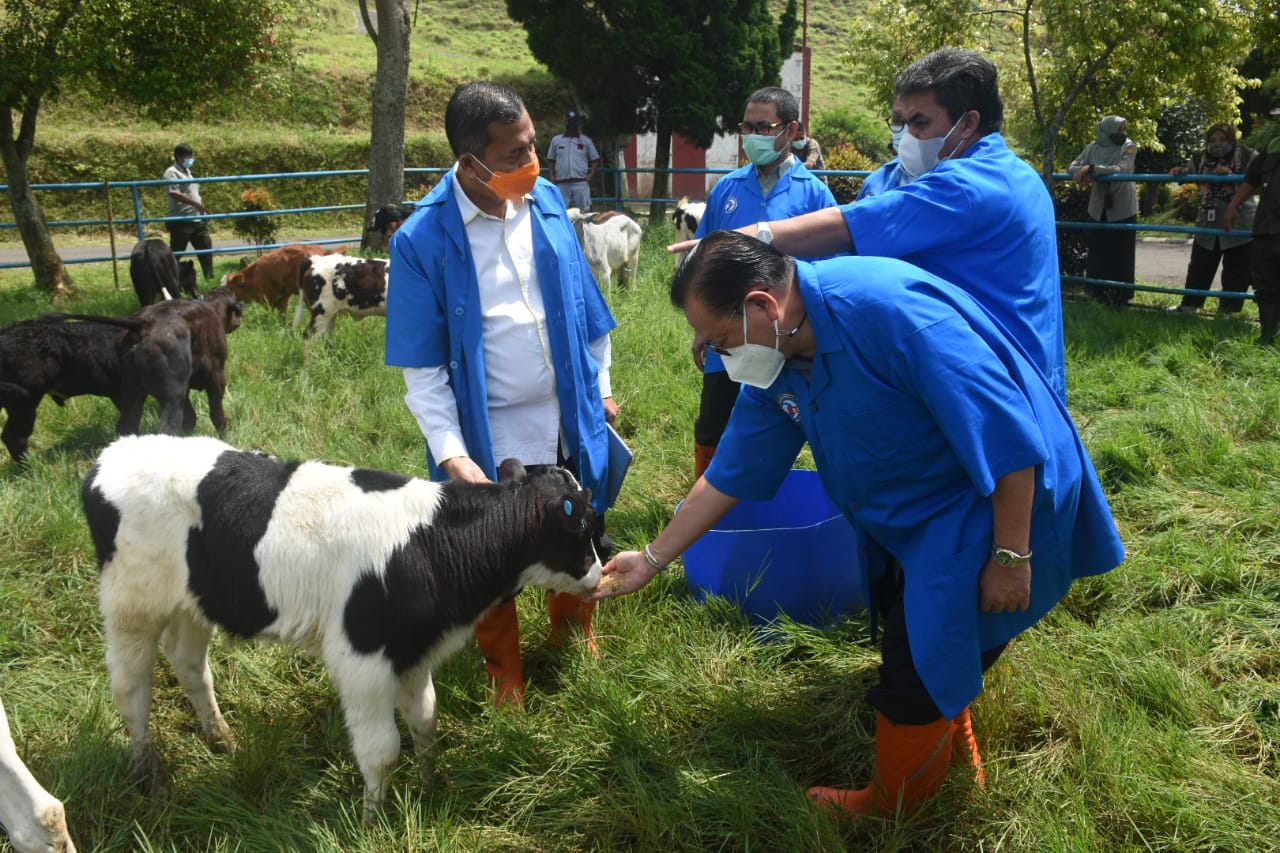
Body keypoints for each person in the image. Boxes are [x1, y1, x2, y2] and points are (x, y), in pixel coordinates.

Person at [588, 229, 1125, 819]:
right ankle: (950, 747)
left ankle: (897, 805)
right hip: (916, 515)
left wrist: (1010, 556)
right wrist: (654, 558)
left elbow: (1009, 442)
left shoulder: (893, 316)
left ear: (763, 306)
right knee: (913, 615)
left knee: (915, 659)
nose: (712, 355)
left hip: (999, 501)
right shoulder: (779, 356)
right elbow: (729, 474)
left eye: (717, 340)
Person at [385, 81, 619, 708]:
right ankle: (503, 673)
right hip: (492, 433)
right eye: (515, 155)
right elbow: (424, 371)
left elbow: (588, 315)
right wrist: (454, 453)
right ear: (470, 162)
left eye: (532, 147)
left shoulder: (544, 205)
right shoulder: (420, 242)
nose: (532, 164)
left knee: (575, 532)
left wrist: (600, 390)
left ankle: (573, 635)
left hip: (565, 418)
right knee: (492, 562)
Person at [671, 48, 1068, 403]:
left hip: (998, 381)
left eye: (919, 123)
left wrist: (753, 234)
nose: (906, 136)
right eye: (901, 122)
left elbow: (851, 227)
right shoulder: (995, 176)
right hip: (970, 375)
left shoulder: (976, 184)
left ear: (967, 124)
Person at [689, 86, 837, 478]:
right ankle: (709, 504)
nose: (752, 136)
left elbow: (830, 268)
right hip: (728, 333)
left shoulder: (815, 194)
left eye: (763, 127)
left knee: (796, 425)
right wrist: (703, 327)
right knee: (713, 423)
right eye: (747, 127)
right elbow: (704, 262)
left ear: (791, 130)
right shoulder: (728, 190)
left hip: (788, 336)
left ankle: (784, 502)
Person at [1168, 125, 1257, 315]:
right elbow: (1191, 173)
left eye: (1222, 140)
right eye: (1213, 140)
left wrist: (1232, 177)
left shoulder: (1249, 156)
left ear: (1232, 140)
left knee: (1236, 270)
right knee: (1199, 266)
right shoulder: (1199, 157)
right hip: (1207, 221)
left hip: (1238, 222)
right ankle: (1190, 305)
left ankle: (1228, 311)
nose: (1217, 144)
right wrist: (1181, 172)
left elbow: (1257, 184)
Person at [1069, 116, 1139, 307]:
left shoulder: (1129, 146)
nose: (1123, 134)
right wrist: (1084, 170)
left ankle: (1120, 296)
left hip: (1123, 207)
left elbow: (1123, 169)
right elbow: (1073, 167)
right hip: (1098, 207)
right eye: (1119, 130)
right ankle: (1096, 292)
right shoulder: (1093, 147)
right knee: (1098, 251)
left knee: (1122, 253)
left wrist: (1093, 169)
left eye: (1125, 130)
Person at [1225, 134, 1280, 345]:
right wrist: (1233, 205)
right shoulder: (1271, 148)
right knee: (1265, 285)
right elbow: (1251, 180)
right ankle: (1267, 336)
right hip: (1267, 229)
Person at [163, 143, 215, 280]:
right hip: (181, 220)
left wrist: (201, 207)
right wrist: (197, 205)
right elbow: (175, 193)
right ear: (179, 157)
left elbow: (192, 193)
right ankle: (169, 281)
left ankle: (210, 279)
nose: (191, 159)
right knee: (176, 254)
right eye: (188, 156)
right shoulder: (171, 173)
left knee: (206, 251)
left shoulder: (188, 173)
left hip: (197, 219)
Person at [856, 100, 913, 200]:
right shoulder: (875, 181)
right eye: (897, 120)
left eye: (920, 121)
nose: (907, 129)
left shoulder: (947, 188)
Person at [546, 110, 601, 212]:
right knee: (560, 211)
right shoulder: (556, 140)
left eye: (574, 122)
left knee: (586, 211)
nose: (571, 124)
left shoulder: (586, 141)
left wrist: (591, 175)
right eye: (569, 121)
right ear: (565, 122)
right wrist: (552, 175)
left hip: (580, 182)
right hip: (562, 183)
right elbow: (551, 159)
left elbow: (595, 159)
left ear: (577, 123)